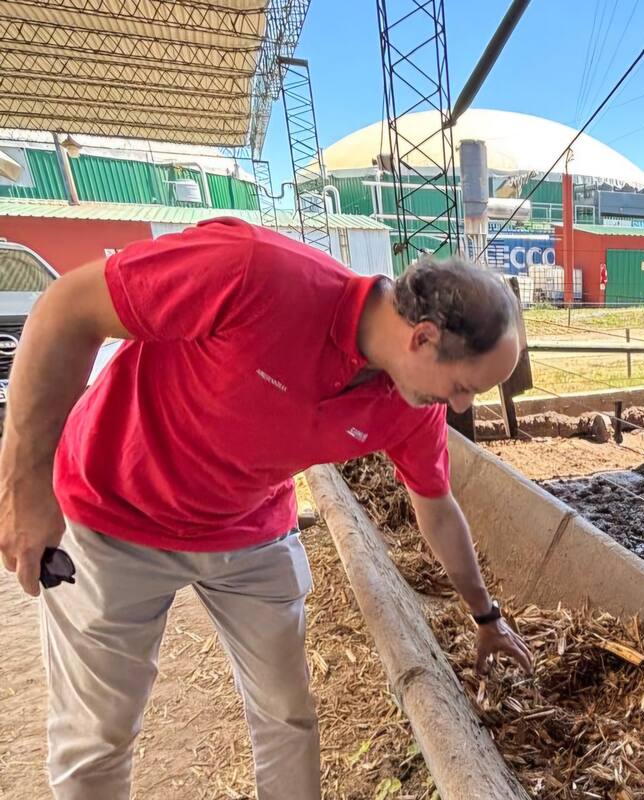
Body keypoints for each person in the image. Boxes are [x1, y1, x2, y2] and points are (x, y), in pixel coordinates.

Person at [0, 217, 533, 800]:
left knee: (287, 715)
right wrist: (24, 487)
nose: (460, 406)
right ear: (423, 337)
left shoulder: (412, 406)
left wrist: (487, 616)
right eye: (463, 386)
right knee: (98, 737)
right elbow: (65, 309)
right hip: (115, 510)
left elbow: (437, 508)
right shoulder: (254, 271)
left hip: (248, 529)